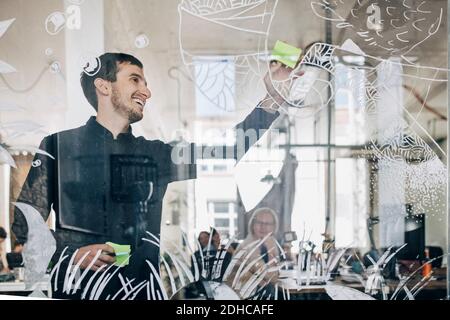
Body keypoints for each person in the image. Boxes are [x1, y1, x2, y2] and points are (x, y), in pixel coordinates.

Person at [11, 53, 291, 299]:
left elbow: (225, 151)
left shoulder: (154, 154)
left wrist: (273, 99)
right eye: (135, 80)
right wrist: (71, 251)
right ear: (103, 85)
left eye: (145, 82)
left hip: (141, 292)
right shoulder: (58, 146)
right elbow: (25, 223)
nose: (147, 91)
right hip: (78, 292)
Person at [226, 207, 282, 299]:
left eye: (267, 223)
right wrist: (271, 252)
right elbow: (270, 277)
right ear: (252, 224)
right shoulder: (248, 245)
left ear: (274, 226)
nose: (263, 227)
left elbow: (275, 273)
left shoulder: (269, 241)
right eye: (259, 222)